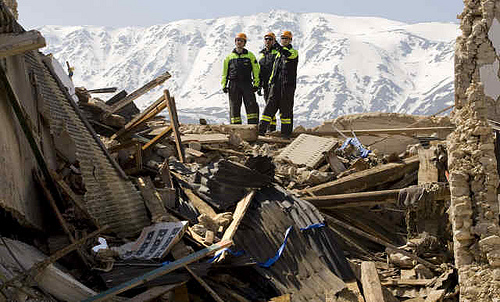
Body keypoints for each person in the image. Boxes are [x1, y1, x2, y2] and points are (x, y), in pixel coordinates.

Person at [258, 31, 298, 138]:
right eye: (283, 38)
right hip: (276, 85)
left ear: (290, 40)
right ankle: (261, 130)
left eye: (286, 38)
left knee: (286, 110)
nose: (284, 40)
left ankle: (285, 133)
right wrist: (270, 82)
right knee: (269, 107)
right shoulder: (278, 55)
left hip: (287, 86)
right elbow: (274, 70)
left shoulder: (293, 52)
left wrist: (277, 46)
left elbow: (288, 54)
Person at [221, 33, 260, 124]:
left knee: (251, 105)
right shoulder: (229, 57)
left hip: (247, 84)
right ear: (235, 42)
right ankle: (236, 127)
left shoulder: (250, 55)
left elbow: (256, 70)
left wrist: (256, 84)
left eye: (241, 41)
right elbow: (224, 73)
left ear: (244, 43)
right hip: (233, 84)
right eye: (237, 40)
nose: (239, 42)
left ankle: (253, 126)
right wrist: (224, 85)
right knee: (234, 106)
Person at [258, 32, 279, 132]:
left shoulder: (277, 53)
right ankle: (271, 129)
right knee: (268, 105)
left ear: (274, 41)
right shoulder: (261, 55)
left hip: (274, 84)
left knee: (271, 106)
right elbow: (259, 71)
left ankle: (271, 128)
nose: (268, 41)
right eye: (266, 39)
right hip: (265, 84)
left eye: (270, 39)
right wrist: (258, 85)